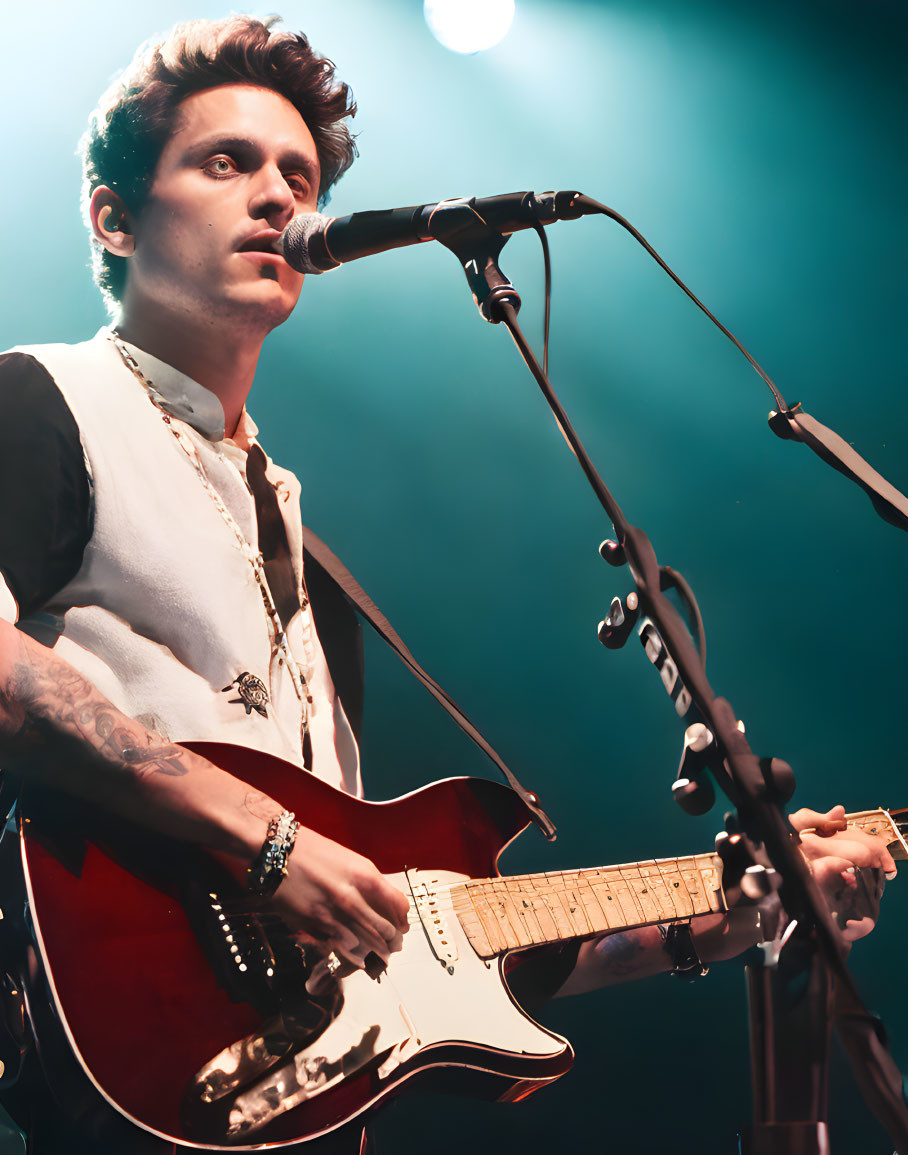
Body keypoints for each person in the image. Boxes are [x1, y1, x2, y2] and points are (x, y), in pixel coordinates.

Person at [0, 14, 895, 1153]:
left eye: (298, 173)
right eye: (225, 162)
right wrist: (271, 843)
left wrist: (718, 922)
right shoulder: (39, 401)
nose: (277, 195)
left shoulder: (297, 541)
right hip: (102, 1056)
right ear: (114, 216)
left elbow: (421, 942)